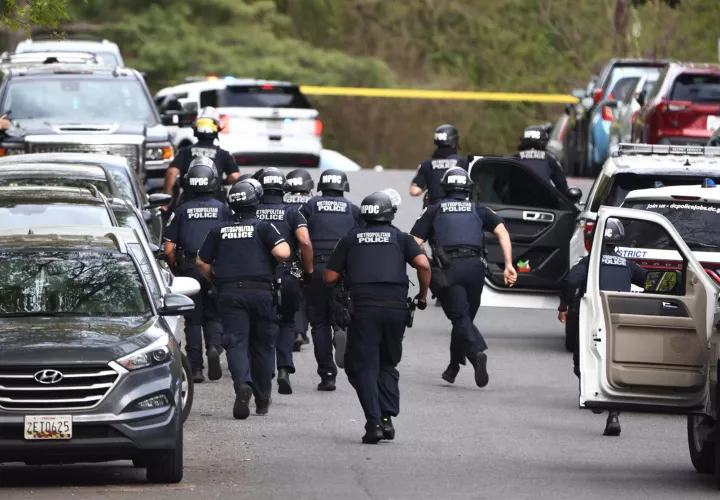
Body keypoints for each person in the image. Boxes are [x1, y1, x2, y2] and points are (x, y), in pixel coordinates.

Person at [324, 189, 431, 443]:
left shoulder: (350, 239)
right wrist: (423, 296)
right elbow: (424, 265)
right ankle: (387, 418)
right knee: (388, 363)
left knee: (361, 366)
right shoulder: (402, 238)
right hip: (396, 310)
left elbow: (329, 277)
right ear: (391, 214)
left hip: (363, 309)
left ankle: (373, 422)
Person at [411, 167, 517, 387]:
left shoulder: (434, 210)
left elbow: (414, 243)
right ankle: (453, 368)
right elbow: (503, 233)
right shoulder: (479, 209)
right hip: (477, 269)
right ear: (468, 188)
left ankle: (477, 352)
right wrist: (508, 265)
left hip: (449, 269)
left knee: (460, 318)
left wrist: (427, 263)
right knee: (464, 319)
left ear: (445, 188)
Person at [196, 179, 292, 419]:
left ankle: (242, 384)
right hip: (261, 292)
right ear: (256, 201)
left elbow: (201, 262)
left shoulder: (218, 230)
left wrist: (214, 280)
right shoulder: (263, 226)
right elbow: (283, 253)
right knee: (263, 345)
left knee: (236, 342)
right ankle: (262, 400)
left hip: (229, 293)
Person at [558, 217, 647, 437]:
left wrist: (563, 306)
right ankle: (613, 414)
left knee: (582, 362)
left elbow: (570, 282)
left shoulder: (589, 262)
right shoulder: (627, 264)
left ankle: (594, 394)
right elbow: (650, 281)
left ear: (592, 239)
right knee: (613, 365)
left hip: (592, 319)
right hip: (619, 321)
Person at [163, 157, 232, 383]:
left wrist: (177, 272)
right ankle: (213, 346)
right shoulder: (223, 209)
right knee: (214, 314)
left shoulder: (181, 211)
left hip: (190, 269)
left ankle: (196, 369)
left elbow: (169, 249)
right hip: (216, 269)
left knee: (192, 319)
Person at [299, 169, 361, 391]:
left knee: (318, 322)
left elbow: (300, 237)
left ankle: (327, 375)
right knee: (340, 311)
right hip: (343, 270)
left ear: (321, 185)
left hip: (317, 268)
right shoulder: (353, 210)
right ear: (343, 186)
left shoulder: (309, 207)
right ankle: (341, 330)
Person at [255, 169, 314, 395]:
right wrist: (308, 271)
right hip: (288, 275)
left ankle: (266, 370)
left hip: (261, 276)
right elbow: (305, 241)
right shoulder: (292, 212)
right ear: (284, 189)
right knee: (287, 322)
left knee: (264, 325)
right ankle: (284, 369)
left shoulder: (252, 212)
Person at [162, 106, 240, 207]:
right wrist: (222, 182)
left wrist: (165, 200)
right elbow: (234, 176)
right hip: (216, 202)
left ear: (195, 129)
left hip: (187, 201)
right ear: (216, 130)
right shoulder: (224, 154)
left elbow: (172, 173)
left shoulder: (184, 151)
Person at [284, 168, 315, 350]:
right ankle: (300, 331)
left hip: (287, 253)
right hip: (309, 251)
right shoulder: (313, 203)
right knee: (305, 294)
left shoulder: (283, 202)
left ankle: (293, 331)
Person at [409, 124, 468, 208]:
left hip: (434, 211)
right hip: (458, 209)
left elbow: (414, 191)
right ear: (455, 143)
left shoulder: (426, 164)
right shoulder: (463, 163)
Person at [512, 125, 569, 194]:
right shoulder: (550, 160)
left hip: (515, 203)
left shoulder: (514, 159)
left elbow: (499, 185)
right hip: (544, 203)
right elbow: (563, 188)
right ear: (545, 142)